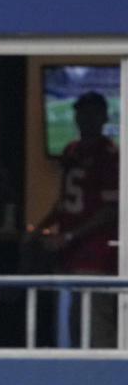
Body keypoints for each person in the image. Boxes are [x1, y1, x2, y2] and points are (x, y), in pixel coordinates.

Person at [29, 91, 118, 347]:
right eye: (80, 113)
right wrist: (42, 229)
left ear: (103, 117)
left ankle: (104, 382)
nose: (84, 119)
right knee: (74, 325)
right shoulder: (71, 150)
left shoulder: (109, 155)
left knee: (96, 325)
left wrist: (68, 235)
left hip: (97, 255)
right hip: (71, 254)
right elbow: (65, 201)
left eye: (90, 113)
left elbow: (110, 210)